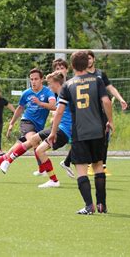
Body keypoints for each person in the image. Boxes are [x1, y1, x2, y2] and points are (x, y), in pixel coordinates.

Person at [48, 51, 113, 215]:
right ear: (87, 64)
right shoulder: (97, 81)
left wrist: (53, 132)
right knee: (98, 166)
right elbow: (106, 101)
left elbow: (59, 112)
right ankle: (102, 205)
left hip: (80, 132)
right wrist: (110, 121)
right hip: (98, 131)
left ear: (72, 66)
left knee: (81, 170)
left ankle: (89, 205)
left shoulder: (68, 85)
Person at [0, 68, 56, 180]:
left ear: (41, 80)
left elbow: (53, 106)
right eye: (31, 79)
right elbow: (20, 108)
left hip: (38, 127)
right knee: (34, 141)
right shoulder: (26, 93)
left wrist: (40, 103)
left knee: (11, 151)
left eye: (36, 79)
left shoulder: (47, 92)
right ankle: (42, 170)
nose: (33, 82)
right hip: (26, 122)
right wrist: (11, 123)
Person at [60, 50, 127, 177]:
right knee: (83, 139)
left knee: (102, 138)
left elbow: (110, 88)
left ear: (94, 59)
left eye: (91, 58)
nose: (89, 60)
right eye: (87, 58)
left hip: (98, 112)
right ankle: (80, 164)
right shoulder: (76, 78)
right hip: (83, 114)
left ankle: (99, 165)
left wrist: (120, 99)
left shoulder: (100, 75)